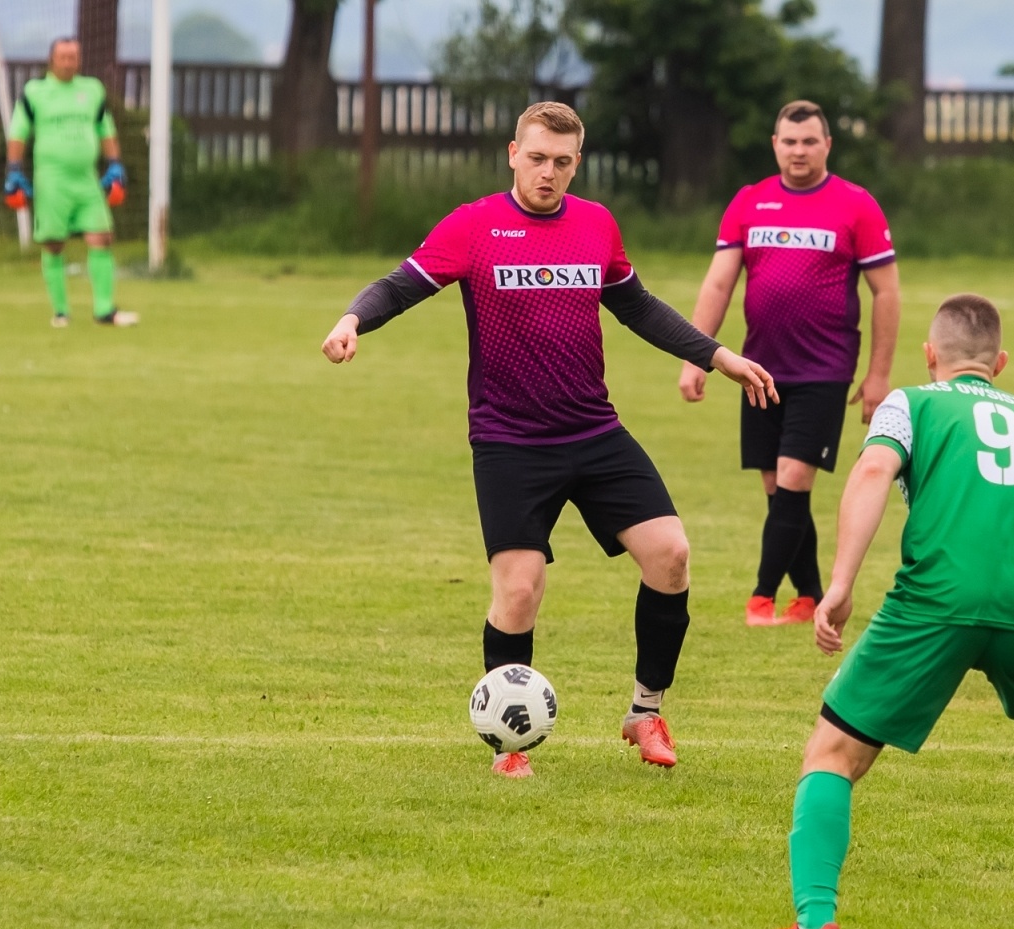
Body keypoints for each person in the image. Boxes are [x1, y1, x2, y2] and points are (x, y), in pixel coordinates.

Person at [320, 102, 778, 778]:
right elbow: (401, 284)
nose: (548, 172)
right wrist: (353, 319)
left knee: (671, 555)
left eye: (562, 162)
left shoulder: (595, 225)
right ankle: (509, 748)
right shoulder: (474, 226)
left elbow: (637, 306)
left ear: (576, 163)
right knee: (520, 591)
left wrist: (718, 356)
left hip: (593, 429)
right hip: (509, 440)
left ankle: (645, 711)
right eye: (537, 158)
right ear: (514, 154)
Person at [750, 294, 1014, 929]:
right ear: (999, 363)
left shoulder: (911, 403)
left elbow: (874, 469)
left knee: (833, 754)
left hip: (939, 597)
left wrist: (839, 584)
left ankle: (814, 928)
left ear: (931, 355)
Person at [679, 100, 900, 627]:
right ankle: (809, 597)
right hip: (758, 370)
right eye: (790, 141)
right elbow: (718, 283)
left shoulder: (856, 205)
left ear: (827, 145)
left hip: (824, 370)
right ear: (775, 145)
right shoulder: (749, 202)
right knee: (780, 491)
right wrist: (696, 356)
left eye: (809, 141)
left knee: (795, 478)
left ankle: (760, 599)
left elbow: (886, 293)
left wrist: (878, 376)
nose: (799, 151)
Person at [3, 37, 137, 328]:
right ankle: (61, 312)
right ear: (51, 59)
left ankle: (105, 311)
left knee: (102, 237)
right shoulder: (35, 92)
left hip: (87, 179)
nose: (68, 62)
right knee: (53, 243)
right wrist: (14, 170)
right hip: (52, 179)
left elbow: (106, 129)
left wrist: (115, 165)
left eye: (73, 56)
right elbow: (18, 132)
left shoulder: (92, 90)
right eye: (63, 56)